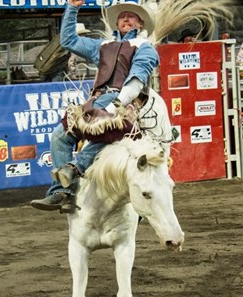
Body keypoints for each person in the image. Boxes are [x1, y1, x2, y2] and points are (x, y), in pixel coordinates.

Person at [30, 0, 159, 213]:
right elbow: (69, 40)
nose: (126, 18)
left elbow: (136, 80)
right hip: (96, 102)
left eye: (132, 16)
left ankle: (73, 169)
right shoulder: (102, 45)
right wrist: (72, 8)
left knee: (105, 135)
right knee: (60, 136)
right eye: (122, 16)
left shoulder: (145, 48)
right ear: (117, 23)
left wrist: (114, 107)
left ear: (140, 23)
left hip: (124, 107)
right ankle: (62, 193)